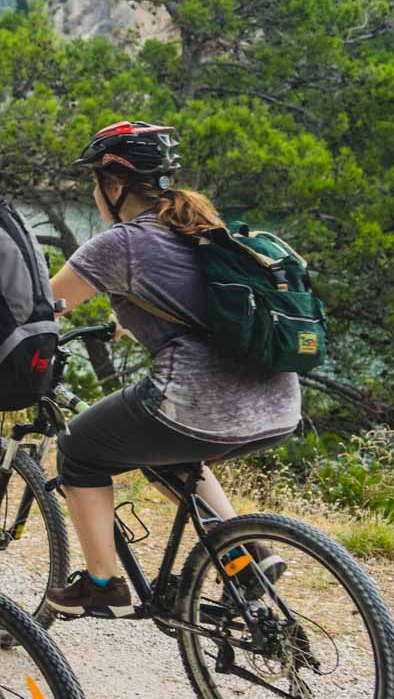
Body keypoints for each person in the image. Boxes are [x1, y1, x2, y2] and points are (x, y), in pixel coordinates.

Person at [43, 121, 300, 616]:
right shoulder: (204, 228)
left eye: (96, 184)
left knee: (78, 448)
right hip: (279, 404)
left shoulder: (120, 243)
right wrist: (127, 317)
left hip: (200, 405)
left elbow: (45, 304)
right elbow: (198, 302)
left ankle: (102, 586)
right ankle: (246, 559)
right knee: (167, 452)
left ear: (114, 187)